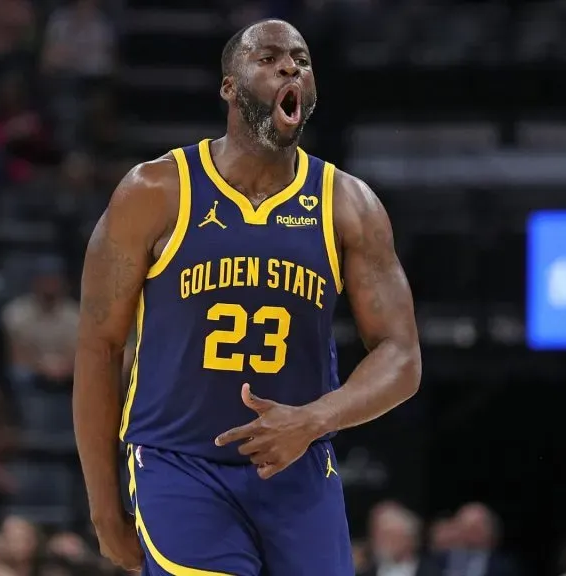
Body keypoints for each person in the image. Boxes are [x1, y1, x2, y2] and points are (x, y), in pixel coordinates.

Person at [73, 18, 421, 576]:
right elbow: (99, 348)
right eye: (269, 58)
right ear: (229, 88)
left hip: (300, 466)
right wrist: (103, 509)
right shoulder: (155, 192)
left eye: (301, 60)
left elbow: (401, 356)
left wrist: (313, 419)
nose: (290, 68)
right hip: (180, 466)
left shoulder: (348, 204)